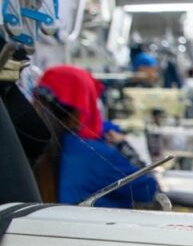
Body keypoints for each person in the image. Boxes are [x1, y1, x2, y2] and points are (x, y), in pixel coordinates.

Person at [32, 65, 158, 208]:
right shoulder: (98, 155)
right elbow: (148, 189)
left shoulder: (22, 145)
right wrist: (124, 146)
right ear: (84, 106)